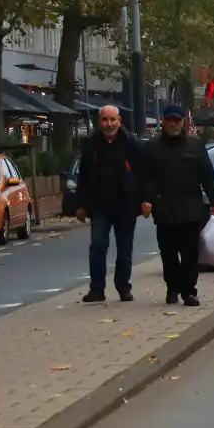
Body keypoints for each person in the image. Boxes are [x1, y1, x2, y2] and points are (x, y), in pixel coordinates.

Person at [142, 105, 214, 306]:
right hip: (164, 208)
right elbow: (146, 177)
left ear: (182, 122)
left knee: (189, 254)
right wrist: (147, 200)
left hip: (190, 207)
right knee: (168, 254)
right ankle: (172, 287)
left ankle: (189, 291)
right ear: (163, 121)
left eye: (176, 120)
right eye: (169, 120)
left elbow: (207, 174)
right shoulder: (153, 147)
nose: (172, 124)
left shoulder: (195, 145)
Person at [75, 105, 145, 303]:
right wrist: (80, 204)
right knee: (97, 247)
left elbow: (142, 174)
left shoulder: (132, 144)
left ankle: (123, 286)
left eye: (113, 119)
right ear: (99, 122)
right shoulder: (91, 145)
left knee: (124, 250)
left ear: (120, 121)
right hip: (99, 206)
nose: (109, 124)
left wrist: (144, 199)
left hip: (126, 205)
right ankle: (97, 289)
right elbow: (84, 176)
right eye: (105, 120)